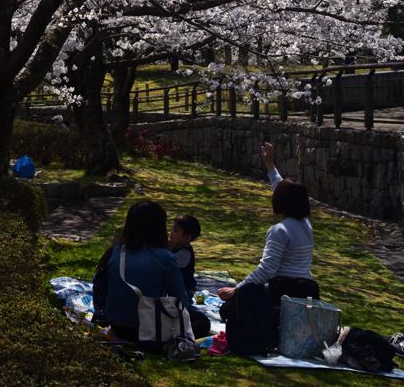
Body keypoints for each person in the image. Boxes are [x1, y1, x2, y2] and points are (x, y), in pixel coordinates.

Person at [217, 142, 317, 306]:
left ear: (278, 201)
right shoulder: (306, 224)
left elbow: (266, 270)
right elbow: (281, 187)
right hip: (303, 293)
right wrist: (269, 164)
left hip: (280, 296)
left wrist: (237, 289)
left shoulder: (280, 231)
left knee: (229, 310)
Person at [103, 201, 209, 345]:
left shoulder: (116, 251)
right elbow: (180, 301)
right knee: (202, 322)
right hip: (150, 328)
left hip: (116, 325)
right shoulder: (165, 257)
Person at [170, 215, 201, 298]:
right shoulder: (173, 244)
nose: (171, 233)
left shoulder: (185, 254)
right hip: (172, 288)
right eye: (172, 229)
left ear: (187, 238)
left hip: (184, 291)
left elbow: (165, 261)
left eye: (175, 231)